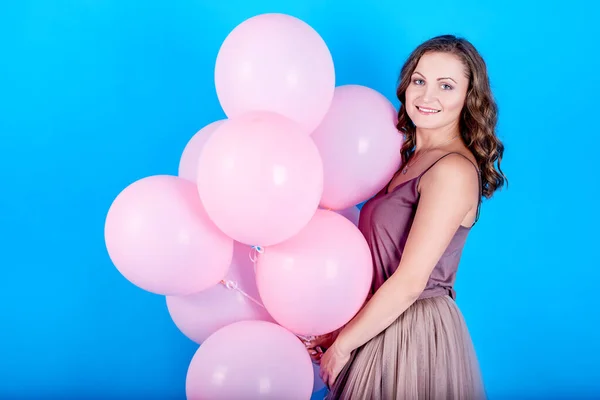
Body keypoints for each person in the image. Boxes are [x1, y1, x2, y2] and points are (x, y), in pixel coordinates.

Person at [304, 34, 506, 399]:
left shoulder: (452, 170)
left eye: (446, 86)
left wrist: (343, 346)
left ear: (468, 97)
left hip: (414, 331)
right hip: (379, 321)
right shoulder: (404, 160)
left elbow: (411, 280)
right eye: (419, 80)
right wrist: (341, 331)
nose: (427, 97)